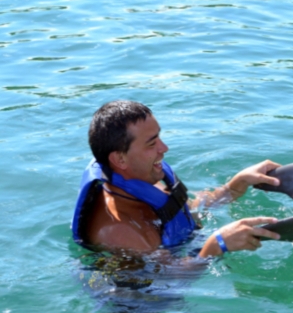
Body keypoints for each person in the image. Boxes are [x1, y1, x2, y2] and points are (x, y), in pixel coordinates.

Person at [72, 100, 281, 264]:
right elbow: (169, 282)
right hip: (139, 312)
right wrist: (218, 244)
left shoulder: (141, 179)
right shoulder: (121, 231)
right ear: (119, 159)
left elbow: (186, 210)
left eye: (159, 137)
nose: (164, 148)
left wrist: (235, 185)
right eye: (152, 143)